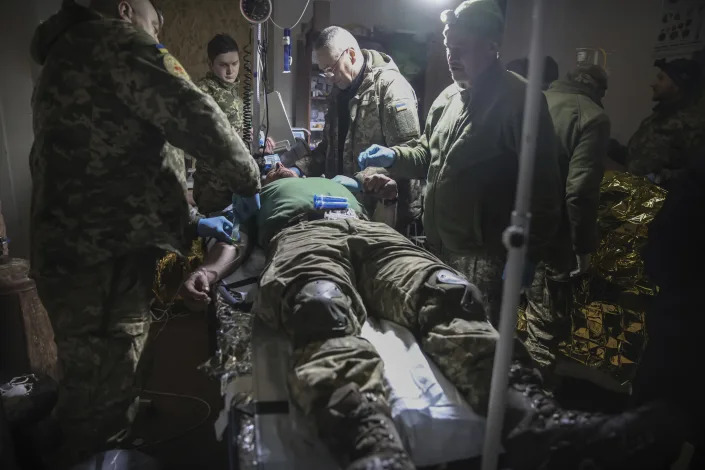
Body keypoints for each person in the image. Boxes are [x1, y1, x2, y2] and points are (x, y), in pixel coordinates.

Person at [182, 162, 683, 470]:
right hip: (303, 238)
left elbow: (388, 213)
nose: (283, 170)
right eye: (277, 169)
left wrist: (386, 190)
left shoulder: (338, 179)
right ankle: (368, 441)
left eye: (287, 167)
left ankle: (535, 423)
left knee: (449, 291)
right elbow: (231, 239)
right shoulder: (261, 196)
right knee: (318, 304)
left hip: (366, 232)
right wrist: (209, 271)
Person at [29, 0, 260, 466]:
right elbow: (195, 113)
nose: (157, 35)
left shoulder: (68, 54)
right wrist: (247, 179)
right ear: (126, 9)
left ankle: (97, 432)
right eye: (155, 24)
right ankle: (99, 448)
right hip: (103, 258)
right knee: (100, 395)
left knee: (91, 373)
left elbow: (114, 168)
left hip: (81, 248)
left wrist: (191, 222)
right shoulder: (118, 41)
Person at [358, 0, 564, 325]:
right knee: (440, 333)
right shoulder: (448, 98)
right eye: (448, 47)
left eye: (462, 48)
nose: (452, 57)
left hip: (484, 257)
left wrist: (528, 252)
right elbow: (427, 153)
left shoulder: (519, 101)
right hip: (440, 246)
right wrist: (394, 157)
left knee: (479, 343)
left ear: (492, 46)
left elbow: (544, 189)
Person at [282, 25, 423, 233]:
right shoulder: (340, 89)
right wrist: (298, 169)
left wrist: (358, 180)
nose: (328, 77)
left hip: (387, 214)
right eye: (323, 71)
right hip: (349, 208)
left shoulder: (391, 88)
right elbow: (328, 147)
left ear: (351, 55)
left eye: (331, 69)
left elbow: (408, 153)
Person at [524, 65, 610, 370]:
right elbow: (580, 192)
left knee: (496, 315)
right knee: (544, 327)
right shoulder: (592, 117)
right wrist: (583, 246)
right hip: (553, 238)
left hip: (507, 228)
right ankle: (535, 404)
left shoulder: (531, 100)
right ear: (599, 90)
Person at [633, 154, 705, 468]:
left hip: (685, 319)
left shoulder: (698, 177)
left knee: (652, 434)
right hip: (685, 314)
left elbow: (662, 249)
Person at [626, 58, 705, 187]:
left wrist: (655, 179)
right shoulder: (658, 117)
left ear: (677, 85)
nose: (653, 84)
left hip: (663, 202)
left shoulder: (692, 124)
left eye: (661, 79)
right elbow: (644, 158)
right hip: (637, 197)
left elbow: (693, 174)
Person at [192, 33, 246, 214]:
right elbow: (199, 136)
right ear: (210, 65)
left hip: (237, 179)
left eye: (235, 64)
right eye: (223, 65)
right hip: (213, 186)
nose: (230, 71)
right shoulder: (202, 91)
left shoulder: (235, 93)